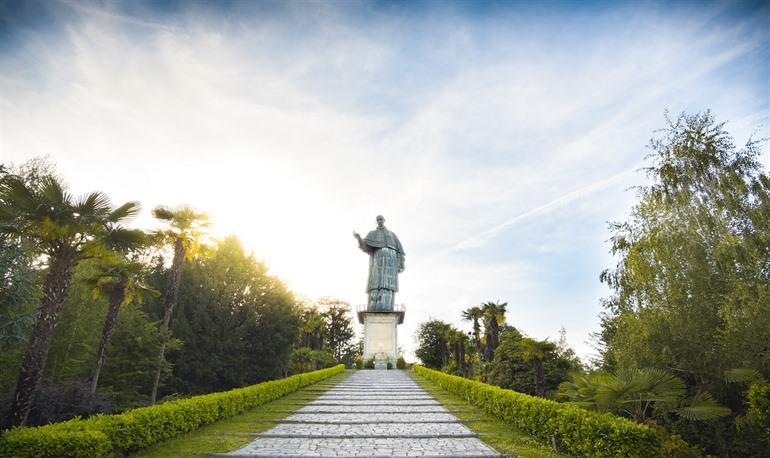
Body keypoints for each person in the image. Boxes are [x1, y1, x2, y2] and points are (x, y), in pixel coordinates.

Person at [354, 215, 405, 311]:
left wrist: (401, 263)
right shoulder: (372, 234)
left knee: (389, 285)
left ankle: (387, 305)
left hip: (391, 262)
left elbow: (400, 251)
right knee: (376, 282)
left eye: (381, 219)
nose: (379, 221)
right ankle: (375, 304)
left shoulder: (392, 234)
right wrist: (359, 238)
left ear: (384, 220)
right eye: (378, 220)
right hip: (377, 260)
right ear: (376, 222)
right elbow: (365, 246)